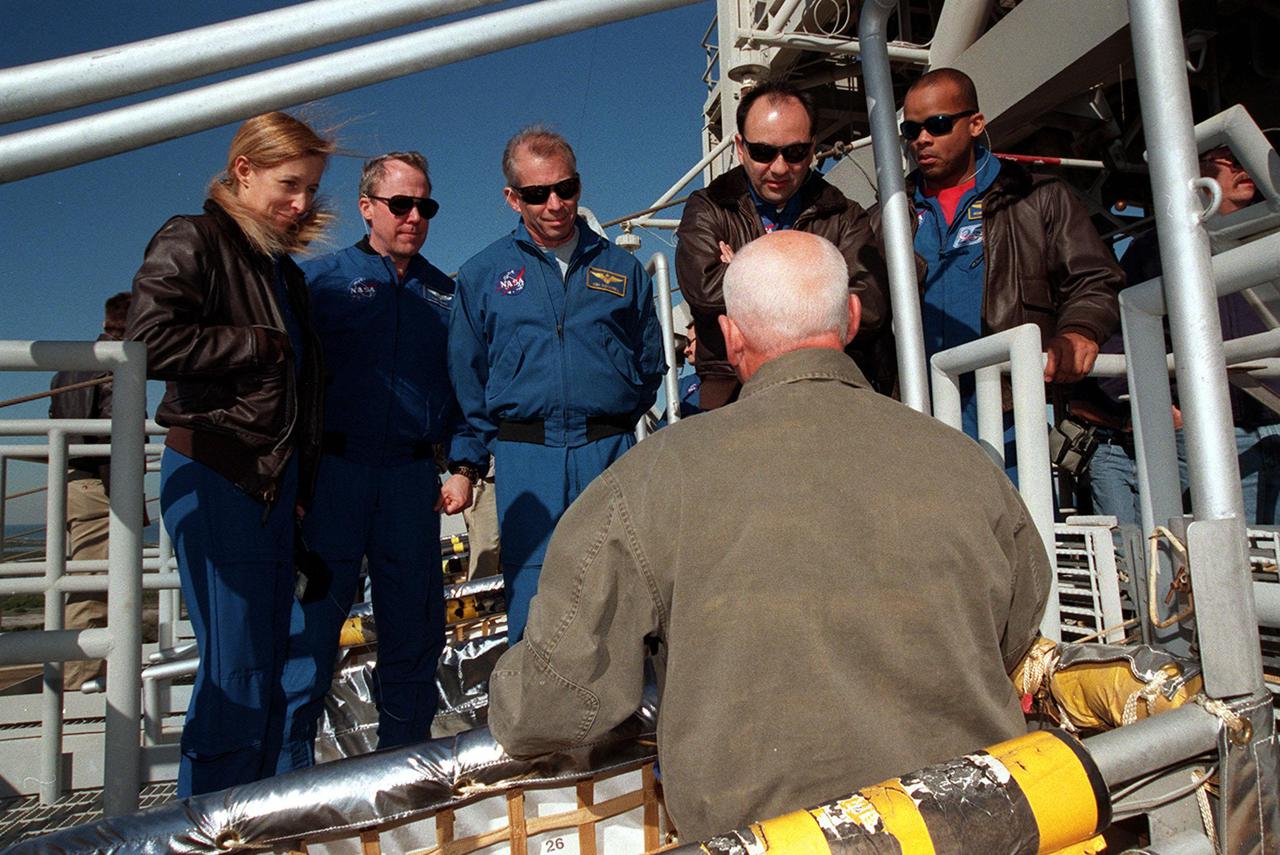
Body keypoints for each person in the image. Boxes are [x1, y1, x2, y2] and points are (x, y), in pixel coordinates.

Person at [488, 231, 1051, 842]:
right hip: (980, 829)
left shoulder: (649, 481)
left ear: (730, 338)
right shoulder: (966, 463)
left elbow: (558, 700)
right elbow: (1017, 629)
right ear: (853, 318)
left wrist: (507, 705)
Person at [126, 112, 331, 797]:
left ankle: (262, 822)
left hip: (271, 487)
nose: (302, 203)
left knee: (276, 662)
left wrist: (298, 479)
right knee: (237, 669)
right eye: (289, 184)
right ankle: (207, 827)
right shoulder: (196, 237)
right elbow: (149, 339)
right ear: (243, 170)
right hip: (218, 471)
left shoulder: (279, 269)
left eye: (310, 189)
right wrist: (257, 345)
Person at [274, 151, 487, 772]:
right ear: (367, 207)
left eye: (426, 205)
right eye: (401, 204)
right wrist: (292, 477)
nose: (415, 216)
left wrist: (466, 464)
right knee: (308, 639)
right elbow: (287, 381)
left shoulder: (447, 297)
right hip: (334, 480)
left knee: (413, 635)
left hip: (408, 483)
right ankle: (289, 787)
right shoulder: (320, 284)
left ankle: (403, 777)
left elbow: (470, 388)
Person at [449, 127, 665, 642]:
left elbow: (650, 363)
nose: (554, 204)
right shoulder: (483, 275)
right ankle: (542, 721)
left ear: (579, 185)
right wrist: (468, 459)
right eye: (536, 193)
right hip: (528, 457)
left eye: (565, 189)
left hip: (607, 449)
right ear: (512, 198)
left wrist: (610, 415)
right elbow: (465, 372)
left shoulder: (623, 270)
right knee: (536, 595)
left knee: (617, 589)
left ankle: (624, 714)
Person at [902, 68, 1123, 445]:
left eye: (937, 125)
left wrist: (1079, 331)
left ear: (975, 124)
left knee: (1017, 504)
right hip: (918, 414)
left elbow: (1094, 279)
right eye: (912, 130)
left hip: (1009, 408)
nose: (922, 139)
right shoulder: (891, 215)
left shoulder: (1038, 197)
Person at [1079, 145, 1277, 525]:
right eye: (1227, 159)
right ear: (1191, 172)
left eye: (1244, 156)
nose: (1242, 167)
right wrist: (1158, 408)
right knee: (1246, 564)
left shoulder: (1273, 233)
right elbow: (1120, 332)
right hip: (1218, 436)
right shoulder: (1154, 248)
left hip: (1273, 426)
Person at [676, 79, 889, 407]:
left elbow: (871, 305)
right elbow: (704, 292)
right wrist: (817, 292)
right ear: (740, 147)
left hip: (828, 385)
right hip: (731, 388)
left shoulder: (844, 214)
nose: (778, 167)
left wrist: (743, 270)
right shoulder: (709, 207)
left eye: (795, 152)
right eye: (763, 152)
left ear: (812, 147)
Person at [49, 291, 131, 691]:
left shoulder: (69, 367)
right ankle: (77, 680)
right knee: (95, 584)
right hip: (100, 483)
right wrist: (128, 501)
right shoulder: (117, 368)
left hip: (71, 480)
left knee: (82, 578)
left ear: (104, 322)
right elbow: (117, 432)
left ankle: (79, 675)